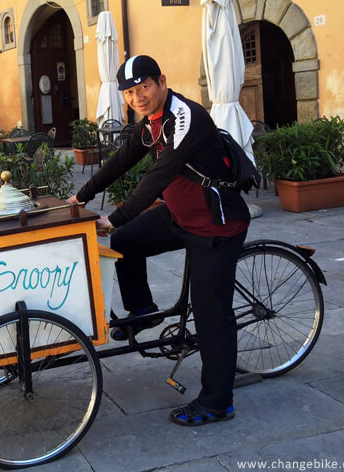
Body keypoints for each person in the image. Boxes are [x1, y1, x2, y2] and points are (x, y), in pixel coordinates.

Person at [68, 55, 249, 427]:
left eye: (144, 87)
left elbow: (156, 179)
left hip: (215, 224)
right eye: (130, 92)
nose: (138, 97)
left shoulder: (185, 117)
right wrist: (80, 197)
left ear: (162, 82)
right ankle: (143, 311)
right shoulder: (150, 123)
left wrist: (112, 217)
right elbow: (120, 161)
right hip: (180, 215)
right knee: (123, 242)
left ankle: (217, 402)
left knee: (212, 315)